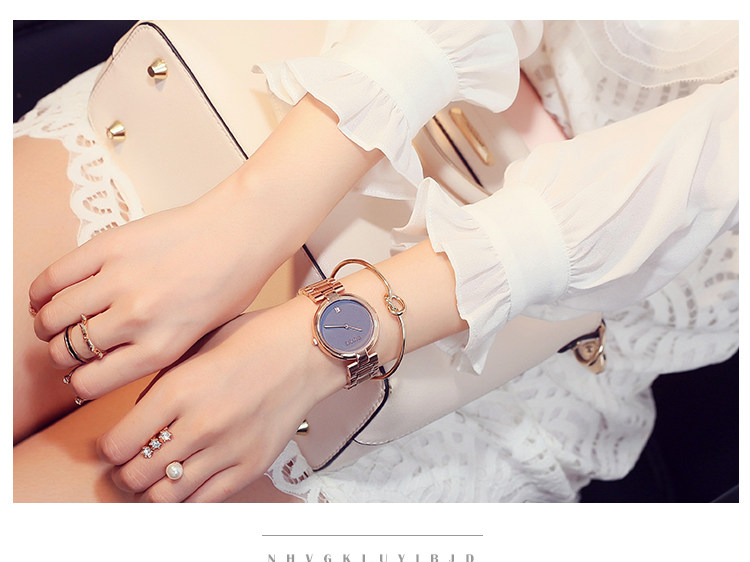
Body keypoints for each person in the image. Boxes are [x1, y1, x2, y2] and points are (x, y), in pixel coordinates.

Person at [13, 20, 738, 502]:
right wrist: (246, 215)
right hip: (320, 91)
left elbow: (709, 170)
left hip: (538, 323)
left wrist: (321, 343)